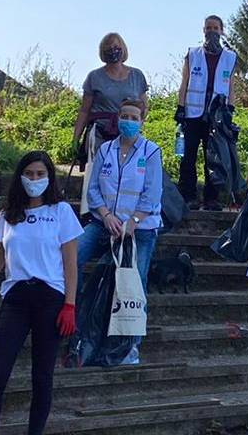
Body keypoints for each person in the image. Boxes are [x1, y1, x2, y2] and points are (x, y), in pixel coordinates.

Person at [0, 151, 81, 435]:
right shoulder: (8, 214)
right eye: (30, 174)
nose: (35, 179)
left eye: (40, 174)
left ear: (49, 177)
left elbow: (70, 263)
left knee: (42, 376)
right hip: (16, 299)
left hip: (50, 298)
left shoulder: (61, 212)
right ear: (20, 177)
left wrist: (70, 305)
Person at [78, 99, 163, 362]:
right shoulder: (105, 150)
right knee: (73, 256)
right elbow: (92, 189)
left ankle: (131, 342)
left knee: (135, 281)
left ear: (142, 121)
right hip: (104, 223)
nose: (128, 120)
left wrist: (132, 222)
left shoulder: (150, 151)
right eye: (124, 115)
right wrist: (105, 215)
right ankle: (80, 321)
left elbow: (152, 193)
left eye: (133, 117)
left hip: (139, 229)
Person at [73, 33, 149, 213]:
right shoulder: (94, 77)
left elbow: (144, 106)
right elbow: (85, 110)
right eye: (109, 49)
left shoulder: (137, 76)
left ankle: (126, 210)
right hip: (100, 131)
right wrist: (75, 137)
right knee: (99, 172)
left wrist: (136, 124)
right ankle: (92, 211)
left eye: (116, 47)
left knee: (128, 171)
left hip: (128, 130)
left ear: (123, 48)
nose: (113, 51)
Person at [175, 15, 237, 211]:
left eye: (216, 28)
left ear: (221, 30)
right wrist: (181, 106)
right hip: (193, 113)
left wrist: (230, 109)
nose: (212, 31)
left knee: (214, 157)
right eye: (209, 27)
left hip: (217, 115)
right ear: (204, 30)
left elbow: (231, 86)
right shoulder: (193, 54)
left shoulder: (230, 57)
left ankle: (212, 198)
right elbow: (184, 82)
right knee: (189, 156)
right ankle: (188, 195)